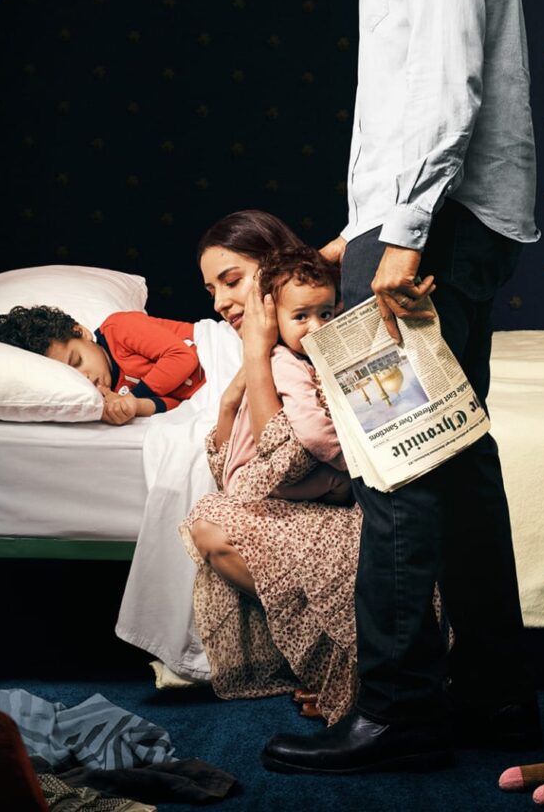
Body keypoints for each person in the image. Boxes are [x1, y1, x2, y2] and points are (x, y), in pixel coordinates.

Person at [261, 0, 541, 775]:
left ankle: (397, 711)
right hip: (435, 213)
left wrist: (404, 231)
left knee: (397, 464)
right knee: (457, 464)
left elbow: (442, 75)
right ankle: (498, 700)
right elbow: (417, 84)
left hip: (440, 220)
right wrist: (363, 227)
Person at [180, 212, 364, 724]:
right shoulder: (270, 350)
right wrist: (230, 396)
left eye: (232, 280)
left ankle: (355, 670)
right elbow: (234, 466)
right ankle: (338, 667)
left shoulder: (303, 344)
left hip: (337, 504)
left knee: (213, 528)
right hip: (299, 496)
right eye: (211, 288)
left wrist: (259, 354)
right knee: (209, 525)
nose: (219, 302)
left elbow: (286, 452)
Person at [214, 245, 352, 505]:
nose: (317, 327)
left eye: (325, 314)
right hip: (256, 482)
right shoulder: (284, 362)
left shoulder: (301, 354)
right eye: (301, 316)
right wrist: (352, 461)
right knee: (341, 480)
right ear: (273, 315)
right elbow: (313, 431)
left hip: (257, 479)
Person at [0, 305, 205, 424]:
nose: (85, 377)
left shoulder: (119, 328)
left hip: (220, 353)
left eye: (77, 361)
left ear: (81, 331)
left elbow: (181, 357)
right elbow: (178, 403)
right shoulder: (107, 393)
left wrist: (131, 397)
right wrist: (135, 408)